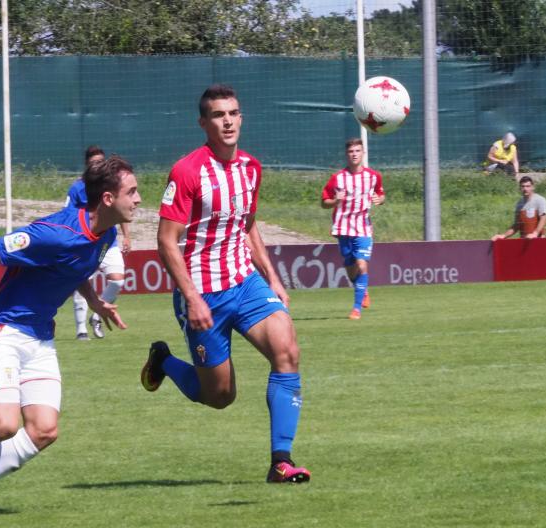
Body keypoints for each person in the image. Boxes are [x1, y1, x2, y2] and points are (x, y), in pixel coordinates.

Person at [0, 156, 140, 516]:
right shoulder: (54, 233)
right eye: (132, 192)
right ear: (108, 198)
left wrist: (96, 303)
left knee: (43, 430)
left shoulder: (104, 233)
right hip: (3, 331)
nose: (138, 199)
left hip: (41, 337)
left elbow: (75, 268)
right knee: (4, 428)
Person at [140, 84, 310, 484]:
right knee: (219, 396)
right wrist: (191, 297)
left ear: (241, 118)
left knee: (287, 350)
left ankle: (280, 462)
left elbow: (247, 226)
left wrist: (272, 276)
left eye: (233, 113)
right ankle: (163, 360)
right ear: (204, 123)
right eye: (218, 115)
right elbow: (166, 240)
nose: (228, 121)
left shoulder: (252, 167)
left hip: (245, 283)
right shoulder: (186, 171)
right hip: (203, 294)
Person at [67, 145, 132, 340]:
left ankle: (96, 316)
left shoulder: (111, 185)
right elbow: (69, 213)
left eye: (100, 162)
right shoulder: (77, 187)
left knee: (118, 279)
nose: (97, 165)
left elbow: (120, 211)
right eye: (93, 162)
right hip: (86, 241)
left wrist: (126, 236)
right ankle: (81, 330)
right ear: (87, 165)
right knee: (83, 279)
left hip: (108, 241)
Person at [321, 138, 385, 320]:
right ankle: (362, 289)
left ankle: (356, 309)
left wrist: (380, 200)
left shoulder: (373, 176)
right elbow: (323, 202)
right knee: (351, 270)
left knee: (362, 265)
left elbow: (381, 194)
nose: (354, 154)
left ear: (363, 153)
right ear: (347, 155)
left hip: (363, 227)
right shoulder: (338, 178)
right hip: (343, 228)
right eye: (351, 152)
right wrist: (335, 201)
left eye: (358, 151)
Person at [492, 176, 546, 241]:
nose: (525, 189)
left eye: (528, 186)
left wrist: (535, 233)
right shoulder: (519, 204)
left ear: (533, 187)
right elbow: (517, 225)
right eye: (523, 186)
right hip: (524, 240)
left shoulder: (540, 200)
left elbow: (544, 219)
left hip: (538, 240)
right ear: (520, 188)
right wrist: (503, 235)